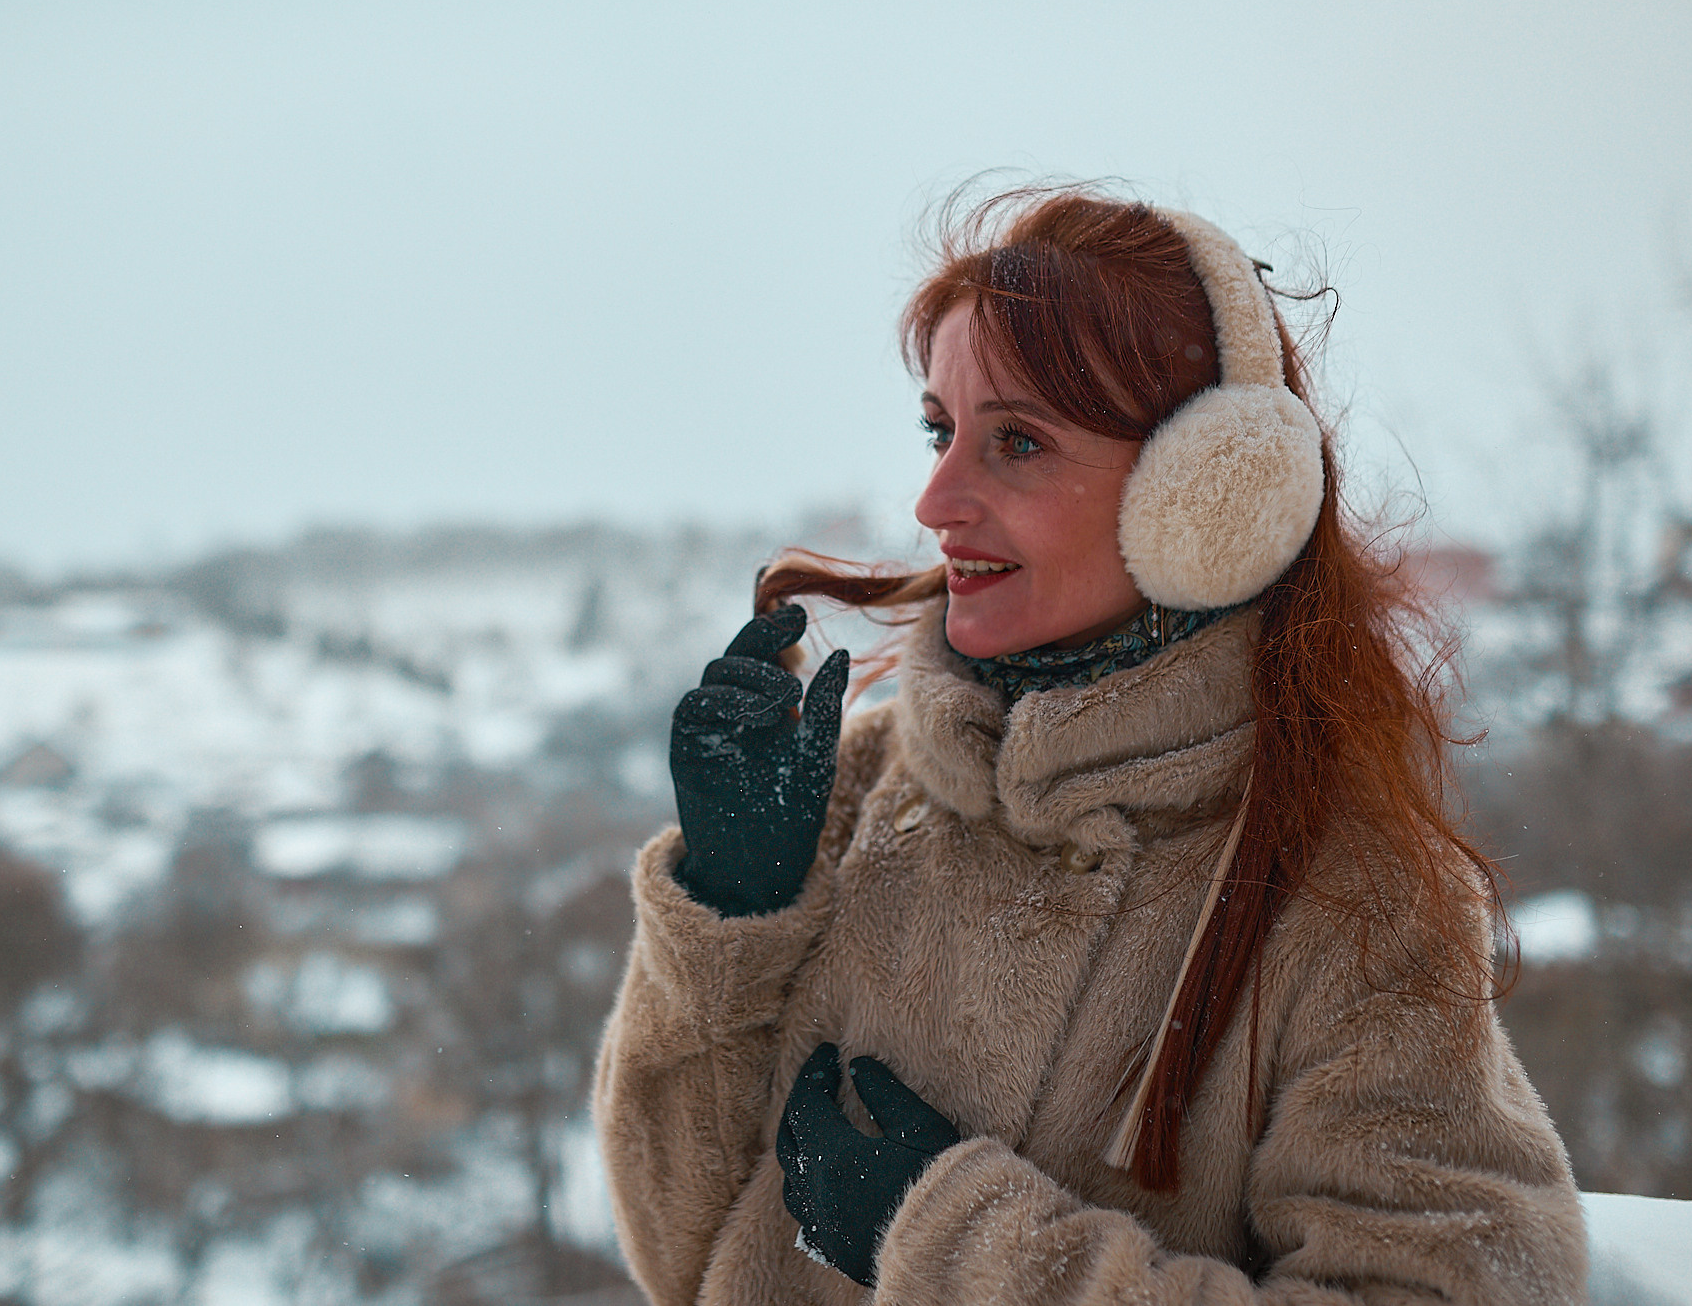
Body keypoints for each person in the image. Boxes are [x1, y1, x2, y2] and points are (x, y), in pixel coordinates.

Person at [592, 187, 1587, 1305]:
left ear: (1203, 499)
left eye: (1015, 441)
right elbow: (678, 1252)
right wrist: (728, 914)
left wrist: (962, 1251)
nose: (934, 499)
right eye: (938, 430)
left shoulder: (1345, 889)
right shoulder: (858, 788)